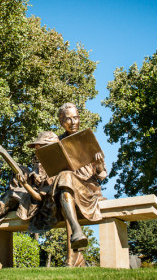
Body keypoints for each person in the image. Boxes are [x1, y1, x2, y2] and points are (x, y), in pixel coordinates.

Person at [55, 102, 107, 266]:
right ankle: (77, 236)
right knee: (65, 178)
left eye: (76, 118)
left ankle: (75, 245)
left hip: (88, 189)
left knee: (65, 178)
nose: (73, 122)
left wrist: (98, 163)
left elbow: (102, 175)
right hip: (67, 188)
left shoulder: (87, 138)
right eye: (68, 119)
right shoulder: (57, 142)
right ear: (61, 122)